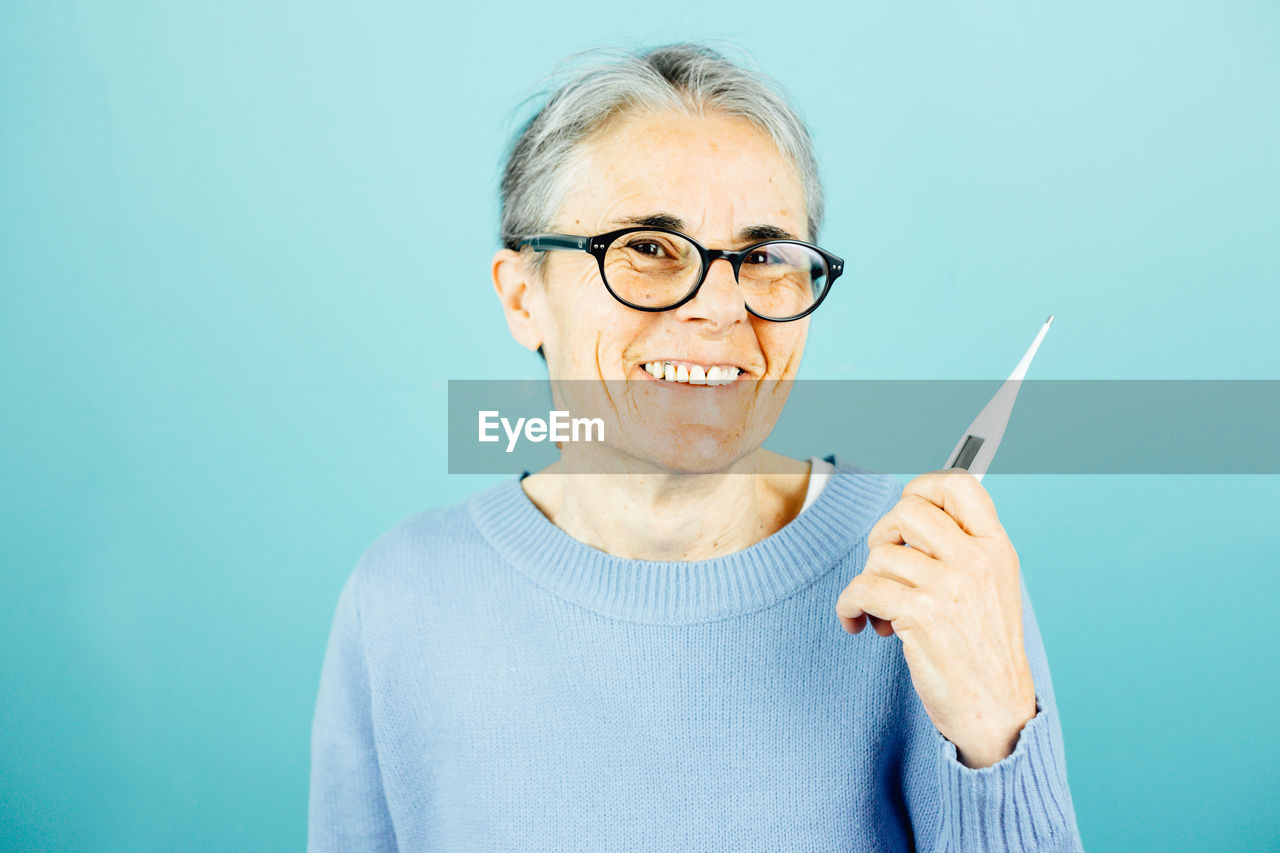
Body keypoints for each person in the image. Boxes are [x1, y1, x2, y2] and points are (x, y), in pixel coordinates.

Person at [308, 42, 1084, 852]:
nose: (719, 308)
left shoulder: (932, 572)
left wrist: (995, 732)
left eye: (765, 257)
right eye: (646, 247)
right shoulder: (400, 599)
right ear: (521, 296)